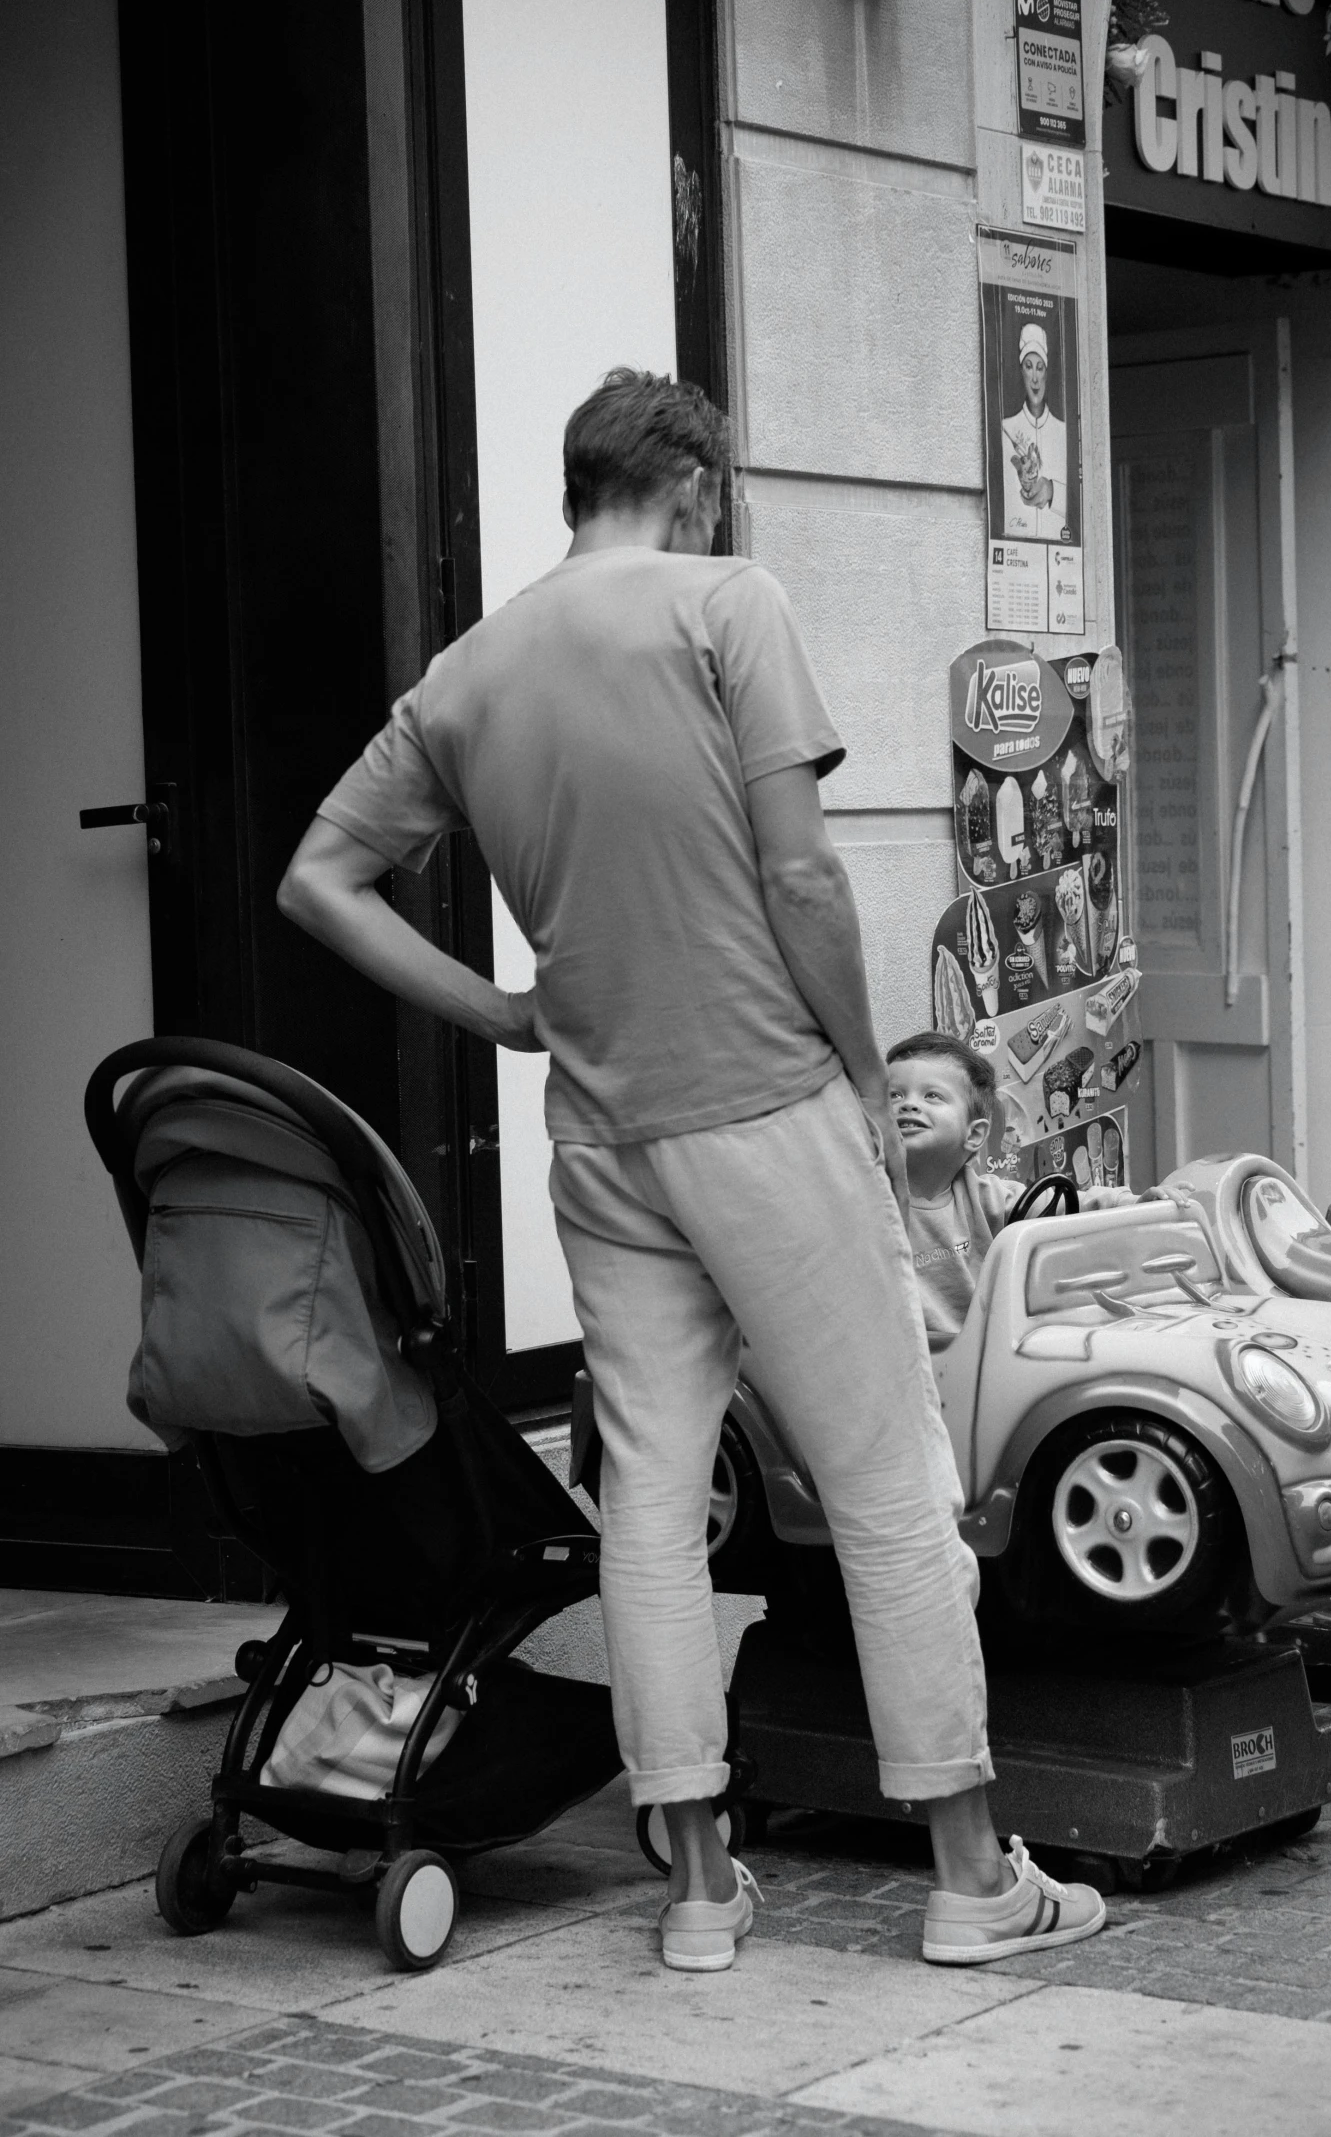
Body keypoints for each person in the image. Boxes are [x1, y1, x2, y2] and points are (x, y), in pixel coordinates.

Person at [278, 370, 1105, 1974]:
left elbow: (319, 880)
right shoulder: (727, 602)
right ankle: (966, 1875)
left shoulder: (462, 675)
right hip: (760, 1103)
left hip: (600, 1132)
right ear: (696, 480)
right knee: (884, 1482)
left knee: (647, 1503)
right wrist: (869, 1076)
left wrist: (508, 1014)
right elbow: (799, 869)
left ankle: (701, 1889)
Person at [890, 1032, 1022, 1353]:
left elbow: (1072, 1205)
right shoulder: (863, 1201)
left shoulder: (984, 1196)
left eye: (932, 1096)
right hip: (907, 1367)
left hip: (984, 1361)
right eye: (892, 1096)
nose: (908, 1103)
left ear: (974, 1134)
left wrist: (1137, 1201)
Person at [1001, 319, 1068, 541]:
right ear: (1021, 371)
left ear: (1047, 372)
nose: (1035, 378)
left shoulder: (1063, 432)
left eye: (1040, 367)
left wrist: (1051, 491)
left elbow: (1083, 504)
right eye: (1029, 367)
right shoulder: (1007, 430)